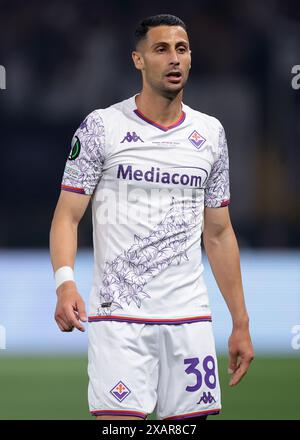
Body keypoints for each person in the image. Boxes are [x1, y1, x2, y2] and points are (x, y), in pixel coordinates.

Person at [49, 14, 254, 421]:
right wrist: (65, 285)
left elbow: (218, 234)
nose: (174, 59)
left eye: (182, 49)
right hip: (118, 318)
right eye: (161, 49)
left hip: (189, 320)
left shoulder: (210, 134)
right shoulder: (101, 127)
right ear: (138, 60)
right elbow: (67, 218)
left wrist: (240, 322)